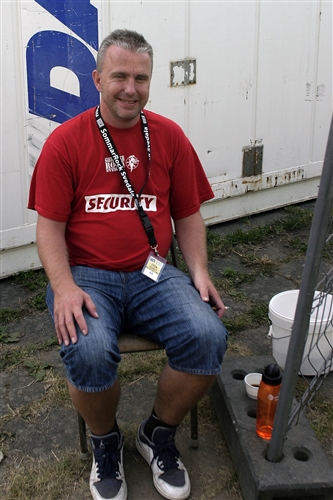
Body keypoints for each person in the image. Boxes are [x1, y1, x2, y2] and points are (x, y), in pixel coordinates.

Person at [28, 29, 228, 500]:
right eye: (120, 76)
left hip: (150, 270)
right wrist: (63, 286)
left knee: (207, 334)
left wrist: (198, 271)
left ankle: (156, 434)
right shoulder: (66, 142)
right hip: (86, 275)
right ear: (98, 78)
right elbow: (49, 229)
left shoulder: (168, 136)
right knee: (89, 350)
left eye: (141, 78)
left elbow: (189, 213)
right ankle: (106, 442)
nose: (130, 88)